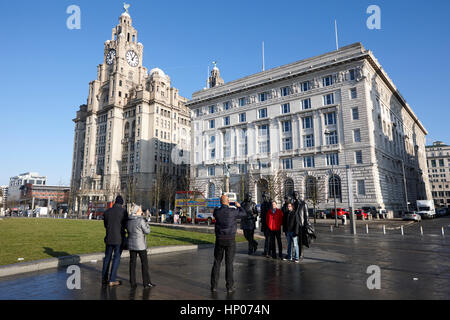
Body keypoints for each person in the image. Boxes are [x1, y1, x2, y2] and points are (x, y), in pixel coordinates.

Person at [210, 194, 247, 294]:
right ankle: (229, 287)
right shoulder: (233, 211)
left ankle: (214, 286)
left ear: (220, 202)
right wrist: (239, 206)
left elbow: (215, 213)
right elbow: (244, 214)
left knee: (217, 262)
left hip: (220, 239)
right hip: (230, 239)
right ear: (228, 201)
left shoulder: (217, 211)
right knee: (229, 264)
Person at [102, 195, 128, 287]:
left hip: (109, 238)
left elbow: (105, 225)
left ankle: (104, 278)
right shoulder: (123, 212)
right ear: (121, 203)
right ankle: (112, 280)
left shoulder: (107, 212)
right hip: (119, 239)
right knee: (116, 259)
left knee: (107, 258)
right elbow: (126, 225)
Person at [127, 204, 155, 289]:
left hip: (131, 244)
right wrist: (147, 222)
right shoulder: (141, 220)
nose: (142, 211)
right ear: (137, 211)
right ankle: (146, 283)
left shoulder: (129, 220)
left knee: (132, 264)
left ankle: (132, 282)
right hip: (140, 246)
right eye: (140, 210)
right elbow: (147, 231)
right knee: (144, 264)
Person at [260, 192, 272, 257]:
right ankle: (266, 251)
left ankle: (267, 251)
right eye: (263, 197)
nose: (264, 198)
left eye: (265, 197)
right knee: (266, 237)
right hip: (264, 223)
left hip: (269, 223)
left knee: (268, 238)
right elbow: (262, 214)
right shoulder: (262, 204)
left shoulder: (270, 204)